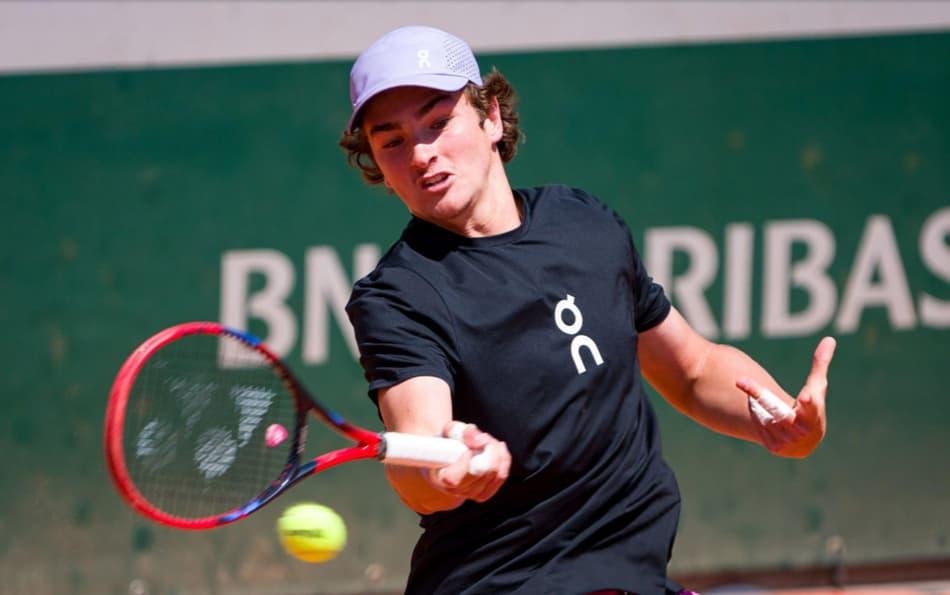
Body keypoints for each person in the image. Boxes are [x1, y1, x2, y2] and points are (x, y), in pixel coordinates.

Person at [340, 26, 836, 595]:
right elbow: (419, 442)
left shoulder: (581, 221)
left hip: (631, 578)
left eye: (438, 121)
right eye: (393, 140)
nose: (422, 153)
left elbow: (692, 370)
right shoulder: (398, 295)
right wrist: (445, 467)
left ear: (491, 117)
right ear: (375, 161)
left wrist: (778, 422)